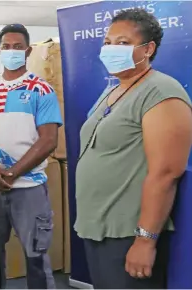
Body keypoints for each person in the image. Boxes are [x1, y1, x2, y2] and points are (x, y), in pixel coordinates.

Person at [75, 8, 192, 289]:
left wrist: (145, 240)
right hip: (99, 229)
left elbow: (166, 173)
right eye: (108, 42)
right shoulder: (115, 89)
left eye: (123, 43)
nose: (111, 49)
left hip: (128, 234)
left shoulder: (161, 92)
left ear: (148, 49)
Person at [0, 23, 62, 289]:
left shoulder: (41, 89)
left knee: (36, 257)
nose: (11, 51)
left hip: (28, 188)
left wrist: (12, 173)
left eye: (18, 47)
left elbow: (48, 140)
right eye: (6, 47)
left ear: (28, 51)